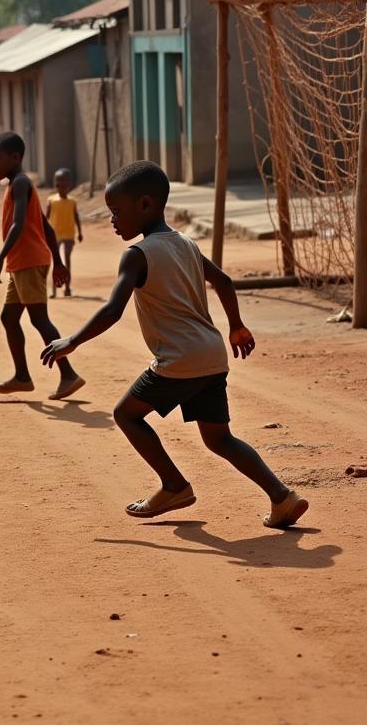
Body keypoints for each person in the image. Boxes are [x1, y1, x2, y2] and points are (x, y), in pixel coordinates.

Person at [40, 160, 308, 529]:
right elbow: (226, 282)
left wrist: (72, 340)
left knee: (126, 414)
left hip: (179, 360)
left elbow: (112, 310)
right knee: (221, 439)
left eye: (117, 212)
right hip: (212, 356)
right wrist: (236, 327)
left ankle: (174, 485)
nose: (113, 221)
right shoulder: (186, 243)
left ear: (146, 206)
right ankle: (282, 496)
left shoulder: (137, 255)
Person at [0, 133, 85, 400]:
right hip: (22, 263)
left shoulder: (20, 183)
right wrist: (59, 262)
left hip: (28, 261)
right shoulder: (17, 185)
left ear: (15, 158)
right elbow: (47, 227)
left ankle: (68, 374)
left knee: (40, 319)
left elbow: (19, 225)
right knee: (9, 318)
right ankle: (22, 377)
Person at [46, 168, 83, 298]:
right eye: (58, 185)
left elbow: (76, 217)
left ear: (70, 185)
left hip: (68, 236)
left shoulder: (73, 201)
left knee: (66, 260)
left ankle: (67, 288)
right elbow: (46, 219)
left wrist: (80, 232)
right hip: (54, 236)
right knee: (55, 262)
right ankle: (54, 291)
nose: (61, 187)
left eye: (64, 185)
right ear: (55, 185)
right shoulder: (51, 200)